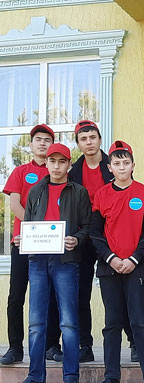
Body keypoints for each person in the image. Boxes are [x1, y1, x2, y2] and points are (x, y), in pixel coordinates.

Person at [90, 140, 144, 383]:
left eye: (126, 163)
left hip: (137, 267)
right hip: (109, 267)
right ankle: (111, 377)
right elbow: (95, 233)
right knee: (112, 324)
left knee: (139, 323)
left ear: (133, 165)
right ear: (109, 167)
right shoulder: (101, 195)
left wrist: (133, 258)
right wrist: (111, 258)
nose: (122, 167)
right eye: (117, 163)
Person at [11, 143, 91, 383]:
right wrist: (22, 238)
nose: (56, 166)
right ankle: (36, 376)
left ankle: (71, 376)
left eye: (61, 161)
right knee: (36, 322)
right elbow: (29, 223)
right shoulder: (35, 190)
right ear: (46, 163)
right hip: (37, 261)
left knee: (68, 322)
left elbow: (88, 227)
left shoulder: (79, 192)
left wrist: (76, 239)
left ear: (69, 164)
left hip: (66, 262)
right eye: (52, 161)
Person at [69, 120, 137, 363]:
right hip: (83, 238)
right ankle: (85, 345)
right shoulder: (73, 172)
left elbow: (128, 196)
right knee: (81, 293)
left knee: (123, 292)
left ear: (99, 139)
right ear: (78, 144)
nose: (89, 142)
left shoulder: (115, 164)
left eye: (92, 137)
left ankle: (134, 342)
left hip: (112, 238)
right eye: (83, 139)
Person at [1, 124, 62, 366]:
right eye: (38, 139)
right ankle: (15, 347)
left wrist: (46, 232)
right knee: (16, 296)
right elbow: (15, 204)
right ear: (31, 144)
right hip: (23, 242)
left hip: (51, 244)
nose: (43, 143)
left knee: (52, 296)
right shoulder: (20, 171)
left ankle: (51, 345)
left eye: (47, 140)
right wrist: (33, 229)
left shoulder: (58, 172)